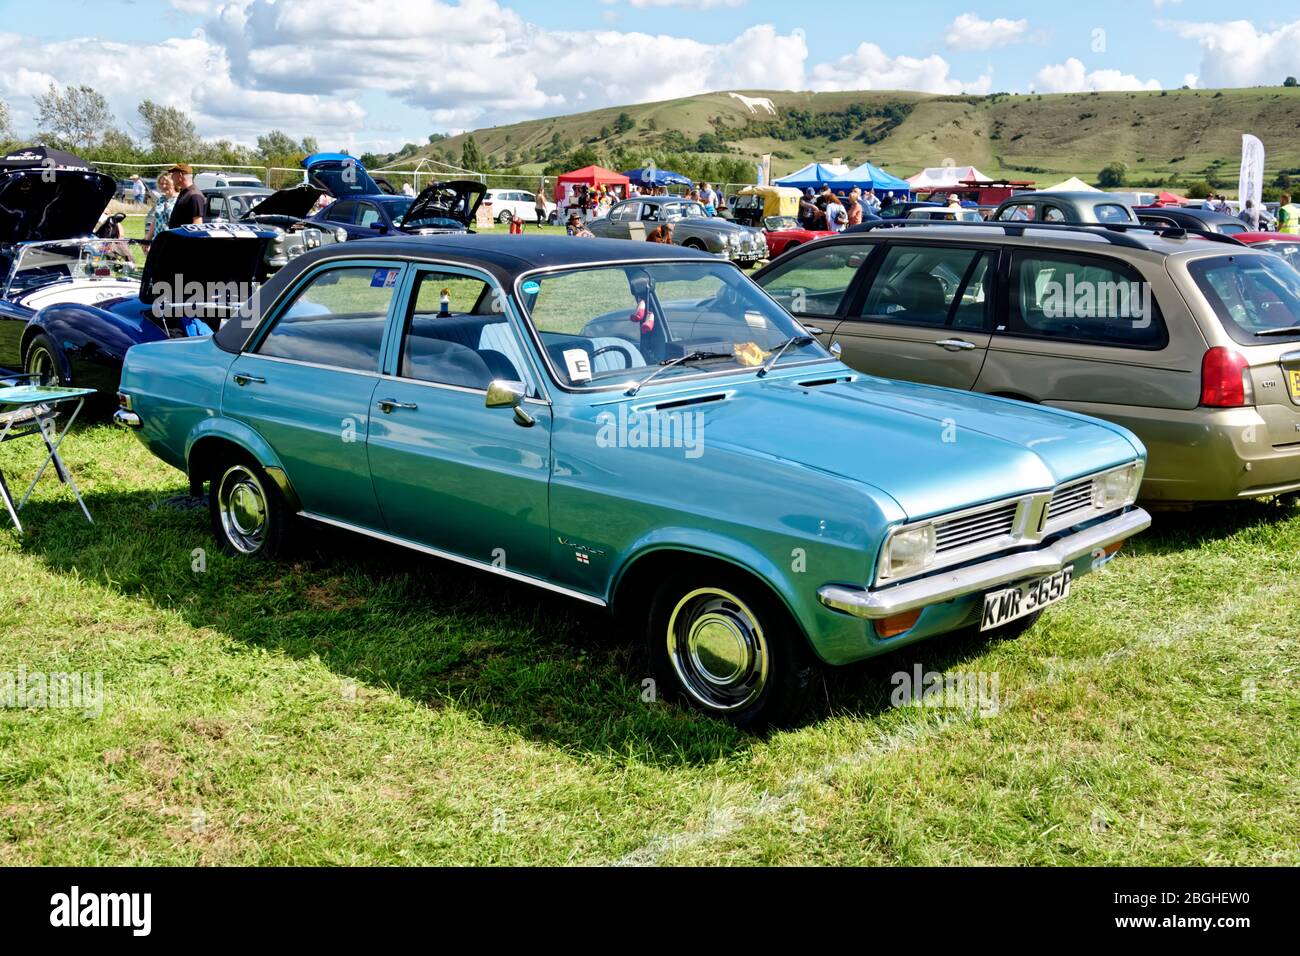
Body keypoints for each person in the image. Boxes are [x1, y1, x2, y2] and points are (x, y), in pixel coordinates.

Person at [167, 163, 206, 228]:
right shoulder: (184, 192)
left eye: (173, 174)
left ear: (180, 175)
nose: (171, 177)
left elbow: (197, 224)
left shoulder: (195, 195)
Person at [145, 171, 177, 247]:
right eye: (161, 184)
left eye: (167, 184)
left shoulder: (179, 199)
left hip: (172, 239)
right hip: (158, 239)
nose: (163, 186)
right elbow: (156, 219)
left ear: (174, 184)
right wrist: (148, 238)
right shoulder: (160, 199)